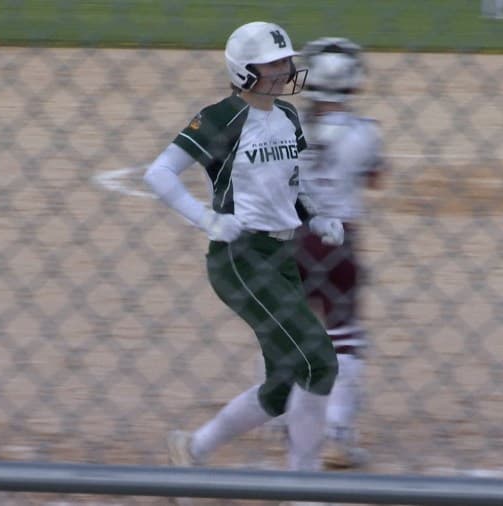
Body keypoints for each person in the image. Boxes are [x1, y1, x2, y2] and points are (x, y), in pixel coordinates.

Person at [142, 20, 346, 473]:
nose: (285, 70)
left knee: (283, 383)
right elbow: (159, 173)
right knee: (319, 362)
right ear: (243, 70)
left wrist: (317, 216)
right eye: (272, 64)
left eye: (286, 61)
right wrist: (207, 219)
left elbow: (293, 185)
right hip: (240, 258)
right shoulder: (222, 117)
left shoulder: (288, 115)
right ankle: (305, 488)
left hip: (283, 257)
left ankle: (192, 449)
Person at [295, 37, 386, 468]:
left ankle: (284, 420)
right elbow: (375, 179)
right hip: (338, 241)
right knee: (344, 335)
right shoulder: (364, 130)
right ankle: (336, 433)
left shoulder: (285, 127)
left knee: (287, 329)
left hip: (289, 239)